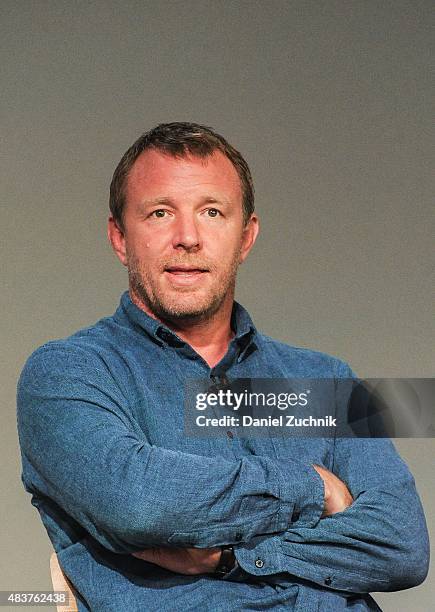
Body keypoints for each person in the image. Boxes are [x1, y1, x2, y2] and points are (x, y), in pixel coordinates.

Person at [17, 122, 429, 611]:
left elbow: (403, 545)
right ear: (120, 237)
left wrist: (227, 556)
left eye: (212, 212)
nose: (187, 237)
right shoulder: (68, 374)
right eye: (159, 213)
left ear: (246, 236)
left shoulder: (326, 378)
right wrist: (312, 487)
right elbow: (140, 503)